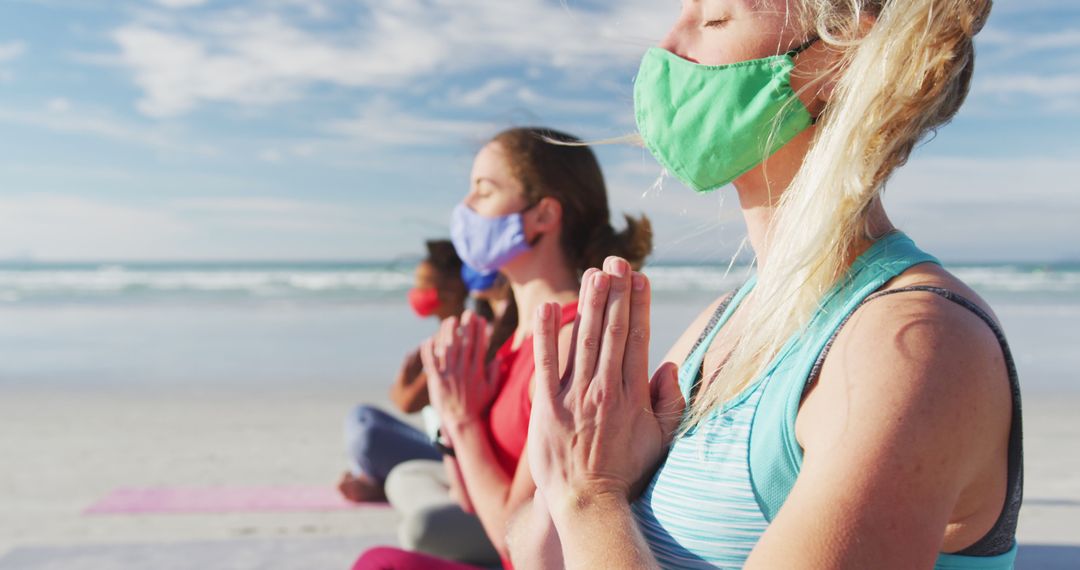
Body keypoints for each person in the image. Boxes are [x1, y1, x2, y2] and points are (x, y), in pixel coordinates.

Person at [513, 1, 1022, 569]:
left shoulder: (915, 342)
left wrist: (591, 495)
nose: (666, 50)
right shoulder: (726, 320)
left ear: (840, 57)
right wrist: (576, 480)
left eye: (715, 19)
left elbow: (581, 504)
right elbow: (546, 554)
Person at [353, 127, 653, 569]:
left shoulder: (568, 343)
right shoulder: (513, 336)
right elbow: (468, 500)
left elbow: (516, 544)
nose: (465, 208)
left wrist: (462, 420)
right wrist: (450, 416)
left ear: (542, 216)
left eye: (484, 191)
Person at [339, 239, 475, 503]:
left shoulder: (461, 337)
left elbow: (406, 402)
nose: (416, 292)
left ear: (453, 291)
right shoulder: (446, 332)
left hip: (453, 454)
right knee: (361, 414)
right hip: (438, 439)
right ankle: (370, 477)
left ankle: (372, 482)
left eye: (424, 285)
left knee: (367, 437)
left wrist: (405, 375)